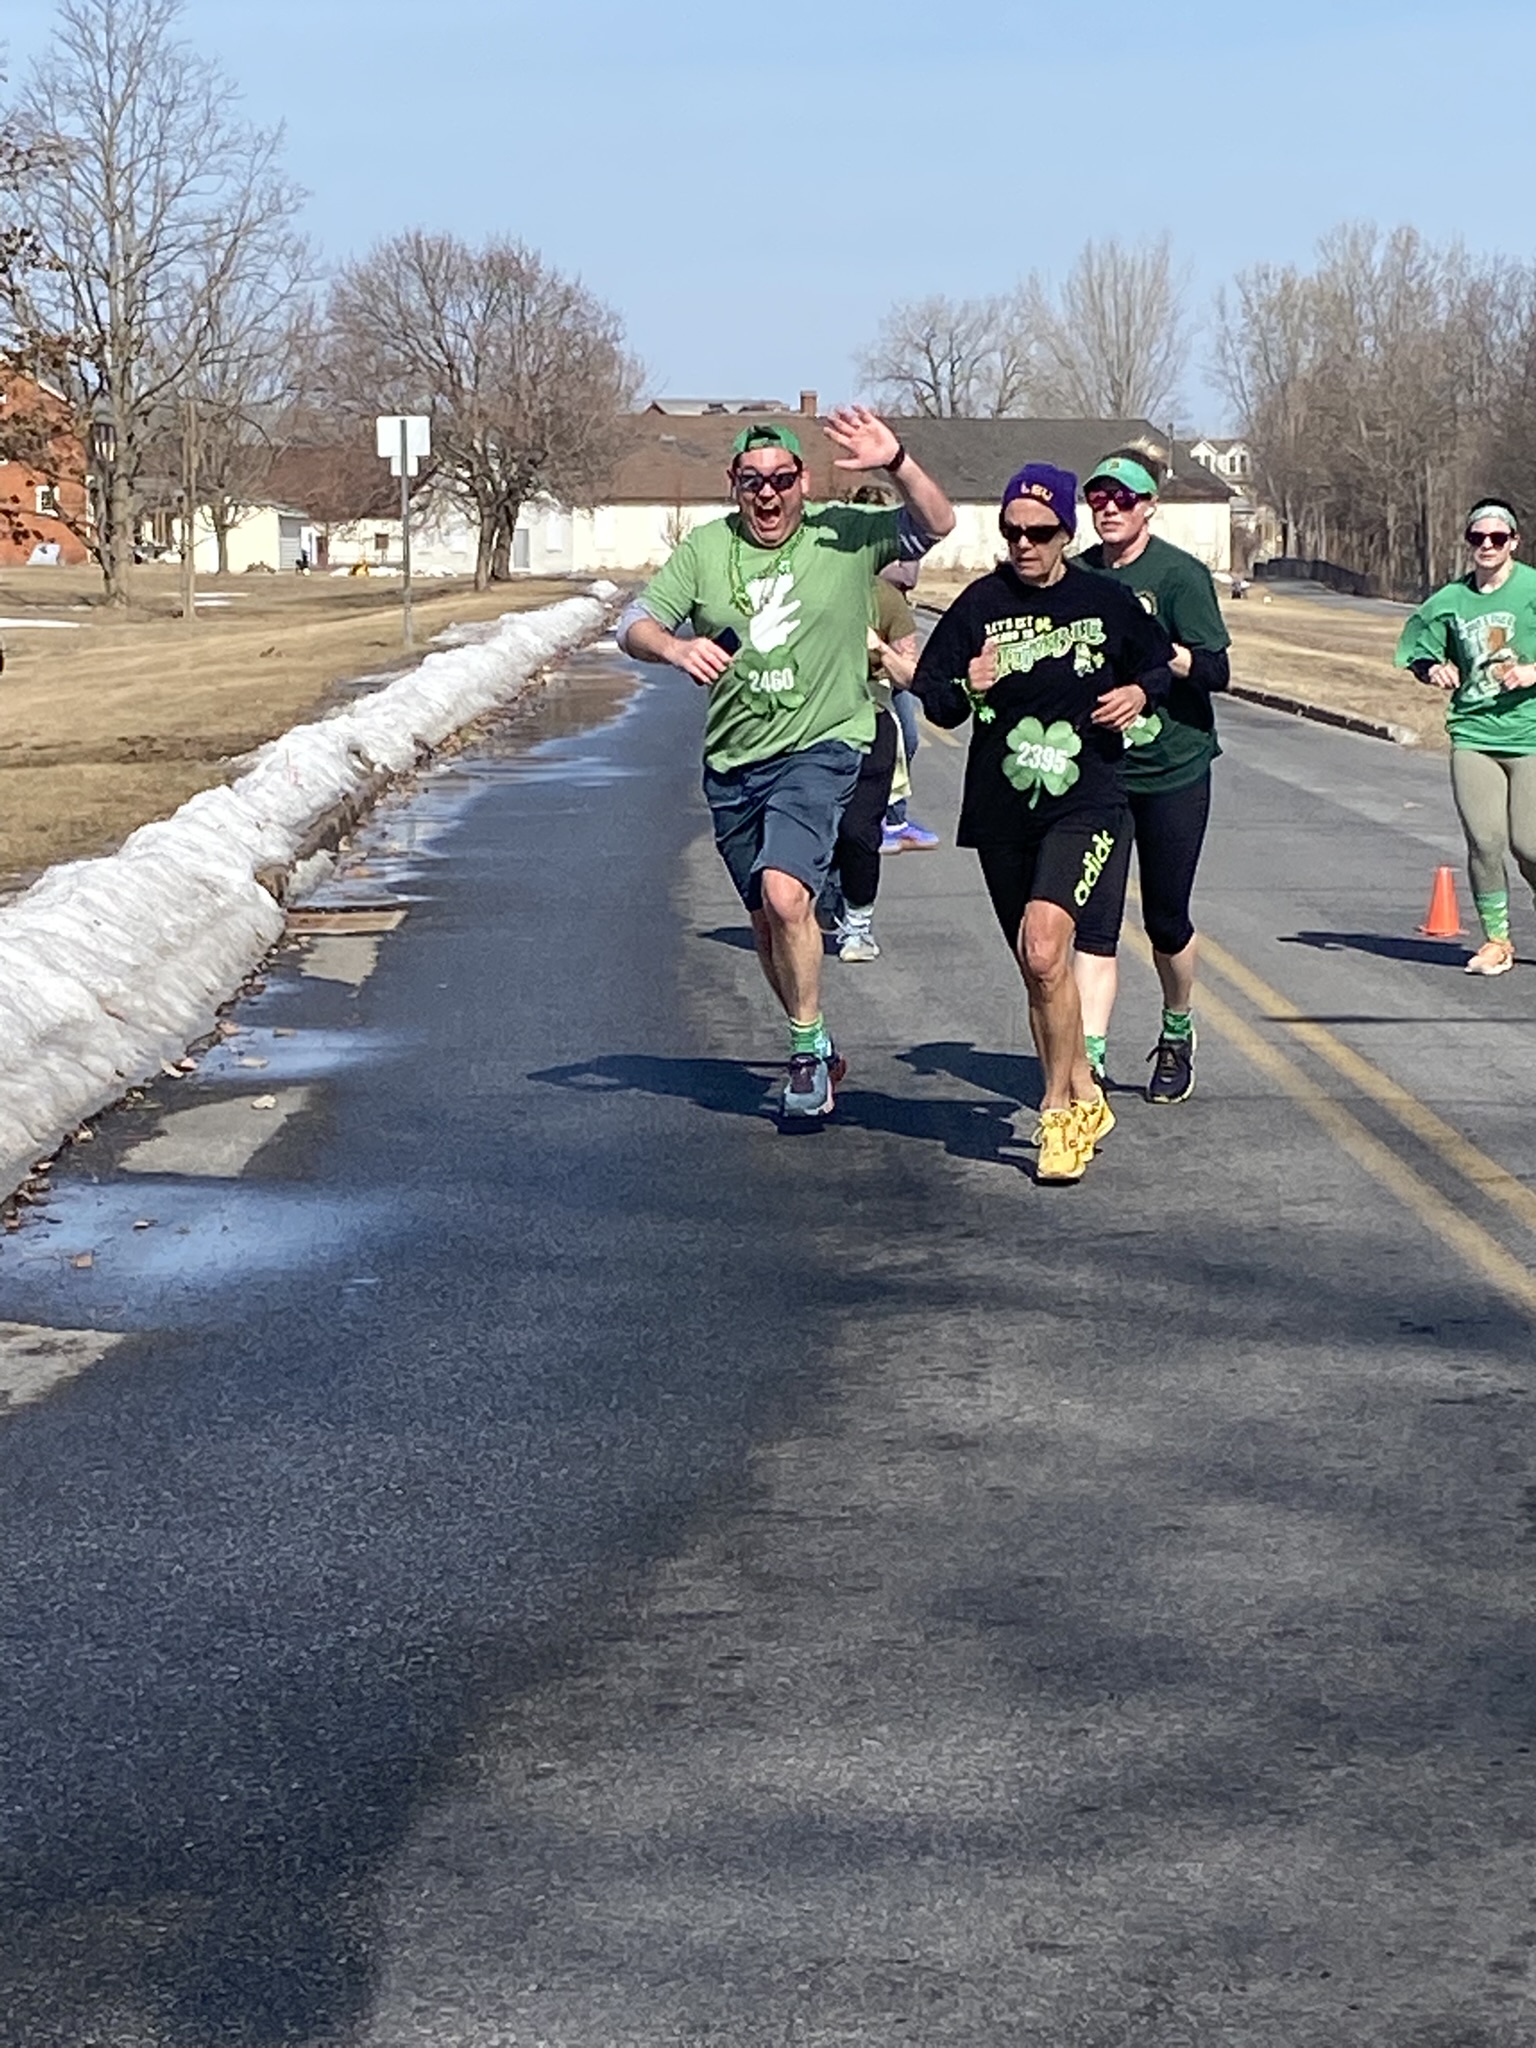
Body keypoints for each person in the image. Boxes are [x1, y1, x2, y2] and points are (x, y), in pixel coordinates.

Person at [618, 410, 955, 1113]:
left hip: (823, 744)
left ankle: (802, 1058)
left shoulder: (844, 533)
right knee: (768, 920)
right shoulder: (709, 549)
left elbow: (938, 521)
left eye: (781, 480)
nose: (767, 495)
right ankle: (819, 1042)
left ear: (804, 481)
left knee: (785, 891)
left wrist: (898, 460)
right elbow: (635, 623)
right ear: (733, 485)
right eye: (752, 482)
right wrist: (675, 648)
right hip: (735, 759)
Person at [911, 463, 1175, 1182]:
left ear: (1066, 532)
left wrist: (1136, 695)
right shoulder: (978, 605)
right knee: (1040, 972)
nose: (1024, 544)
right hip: (1002, 808)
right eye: (1012, 532)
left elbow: (1158, 667)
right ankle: (1084, 1089)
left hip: (1086, 798)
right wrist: (969, 681)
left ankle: (1056, 1114)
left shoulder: (1106, 601)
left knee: (1044, 945)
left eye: (1040, 532)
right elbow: (934, 698)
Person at [1072, 448, 1232, 1103]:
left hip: (1173, 767)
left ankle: (1176, 1028)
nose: (1109, 509)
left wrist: (1159, 653)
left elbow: (1219, 672)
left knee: (1165, 920)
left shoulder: (1179, 576)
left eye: (1124, 499)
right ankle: (1089, 1060)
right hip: (1100, 774)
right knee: (1094, 923)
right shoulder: (1076, 574)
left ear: (1149, 507)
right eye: (1100, 498)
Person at [1396, 499, 1536, 975]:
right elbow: (1418, 647)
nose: (1488, 546)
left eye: (1498, 538)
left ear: (1514, 541)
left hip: (1530, 734)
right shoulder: (1451, 600)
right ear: (1469, 543)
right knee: (1485, 840)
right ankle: (1497, 940)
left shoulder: (1532, 588)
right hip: (1473, 732)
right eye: (1479, 538)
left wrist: (1534, 671)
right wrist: (1433, 667)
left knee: (1529, 844)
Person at [822, 559, 918, 962]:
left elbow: (910, 675)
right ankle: (828, 890)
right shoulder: (810, 589)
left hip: (870, 723)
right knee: (820, 827)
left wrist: (877, 647)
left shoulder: (885, 598)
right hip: (811, 727)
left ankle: (858, 927)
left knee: (858, 830)